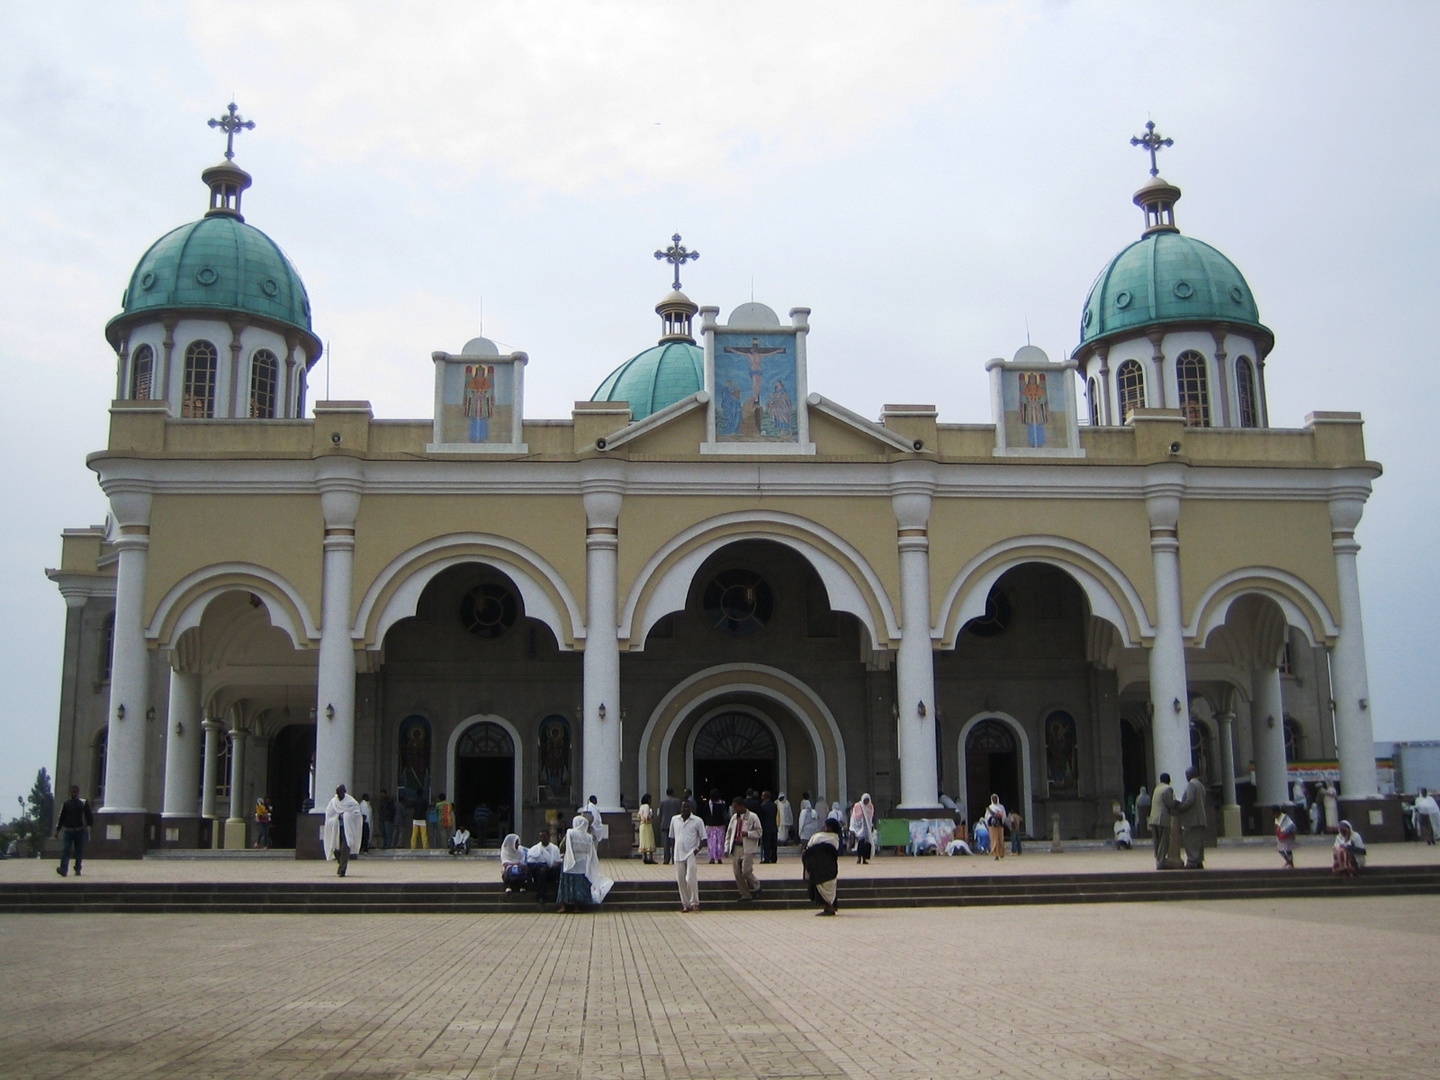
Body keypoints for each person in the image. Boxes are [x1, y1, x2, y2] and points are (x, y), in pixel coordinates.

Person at [558, 815, 613, 912]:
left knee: (567, 884)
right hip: (583, 863)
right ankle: (577, 907)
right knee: (579, 883)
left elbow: (562, 846)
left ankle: (563, 906)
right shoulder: (588, 836)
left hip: (570, 860)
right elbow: (591, 851)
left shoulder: (570, 833)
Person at [671, 799, 708, 912]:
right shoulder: (674, 819)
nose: (685, 809)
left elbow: (704, 839)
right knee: (680, 879)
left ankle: (695, 902)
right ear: (680, 808)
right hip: (678, 853)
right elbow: (671, 837)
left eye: (687, 807)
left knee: (691, 878)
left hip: (691, 853)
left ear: (690, 808)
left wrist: (697, 850)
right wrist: (672, 851)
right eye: (683, 807)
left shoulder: (697, 821)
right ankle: (685, 904)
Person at [725, 796, 763, 900]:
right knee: (737, 873)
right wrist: (727, 847)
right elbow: (729, 833)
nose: (735, 809)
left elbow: (759, 832)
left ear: (741, 806)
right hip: (736, 847)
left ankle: (757, 885)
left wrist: (748, 834)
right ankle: (745, 894)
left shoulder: (752, 817)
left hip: (747, 847)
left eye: (736, 807)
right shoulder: (734, 818)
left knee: (746, 871)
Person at [802, 819, 843, 916]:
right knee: (825, 887)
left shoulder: (825, 837)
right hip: (824, 868)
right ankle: (828, 907)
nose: (825, 828)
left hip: (823, 868)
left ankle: (829, 908)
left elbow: (810, 849)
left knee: (825, 887)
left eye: (827, 826)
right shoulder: (833, 839)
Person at [323, 784, 363, 877]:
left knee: (345, 848)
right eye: (337, 792)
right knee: (336, 849)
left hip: (347, 830)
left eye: (340, 792)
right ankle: (340, 863)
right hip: (336, 829)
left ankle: (342, 869)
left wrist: (346, 816)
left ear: (344, 791)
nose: (339, 794)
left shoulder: (351, 802)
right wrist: (336, 817)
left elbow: (357, 814)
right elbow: (329, 813)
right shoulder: (333, 802)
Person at [1172, 767, 1208, 870]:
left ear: (1190, 774)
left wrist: (1180, 807)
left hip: (1192, 819)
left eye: (1187, 774)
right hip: (1201, 818)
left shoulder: (1191, 785)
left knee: (1190, 841)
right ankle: (1198, 861)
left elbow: (1189, 801)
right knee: (1199, 842)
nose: (1186, 776)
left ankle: (1192, 861)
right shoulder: (1201, 785)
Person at [54, 785, 93, 877]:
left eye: (75, 792)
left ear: (78, 792)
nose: (74, 793)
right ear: (70, 792)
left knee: (78, 851)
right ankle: (63, 869)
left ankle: (78, 868)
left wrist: (89, 825)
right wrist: (57, 830)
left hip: (79, 830)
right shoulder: (66, 804)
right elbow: (62, 818)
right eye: (72, 792)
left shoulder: (82, 803)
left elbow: (89, 815)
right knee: (66, 849)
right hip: (68, 831)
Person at [526, 830, 562, 905]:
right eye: (541, 837)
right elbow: (530, 863)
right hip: (540, 874)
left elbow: (558, 860)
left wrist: (556, 864)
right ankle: (540, 896)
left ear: (549, 837)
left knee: (559, 870)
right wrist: (542, 865)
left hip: (551, 872)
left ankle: (559, 896)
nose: (543, 838)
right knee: (542, 871)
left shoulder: (554, 848)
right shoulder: (535, 849)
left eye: (544, 836)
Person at [1150, 773, 1177, 870]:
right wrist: (1176, 803)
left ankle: (1158, 859)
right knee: (1164, 841)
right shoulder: (1167, 789)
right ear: (1168, 780)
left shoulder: (1156, 788)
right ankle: (1161, 862)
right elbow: (1169, 803)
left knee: (1156, 841)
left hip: (1153, 818)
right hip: (1162, 818)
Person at [849, 794, 876, 864]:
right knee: (860, 844)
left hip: (867, 828)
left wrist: (870, 825)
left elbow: (870, 818)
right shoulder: (858, 805)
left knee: (866, 844)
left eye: (867, 800)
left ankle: (864, 859)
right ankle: (859, 858)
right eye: (865, 800)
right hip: (858, 827)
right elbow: (855, 816)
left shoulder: (870, 806)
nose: (866, 802)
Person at [704, 790, 729, 863]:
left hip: (710, 825)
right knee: (720, 842)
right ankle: (719, 858)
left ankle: (712, 858)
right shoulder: (722, 804)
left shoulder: (708, 804)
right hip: (720, 825)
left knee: (711, 842)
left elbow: (704, 814)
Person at [658, 789, 681, 864]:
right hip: (675, 824)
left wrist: (661, 822)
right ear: (673, 793)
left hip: (665, 823)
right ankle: (675, 859)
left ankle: (666, 859)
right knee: (675, 842)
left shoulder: (662, 802)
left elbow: (660, 814)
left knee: (666, 843)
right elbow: (679, 812)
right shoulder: (677, 801)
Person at [984, 795, 1007, 860]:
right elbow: (986, 817)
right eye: (993, 799)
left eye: (995, 798)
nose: (995, 800)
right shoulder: (990, 808)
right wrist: (993, 816)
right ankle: (996, 855)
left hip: (1000, 825)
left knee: (1000, 839)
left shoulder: (1001, 807)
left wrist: (1000, 815)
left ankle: (1001, 853)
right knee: (994, 840)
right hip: (992, 826)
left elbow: (1004, 815)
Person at [759, 791, 779, 864]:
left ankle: (767, 858)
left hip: (766, 828)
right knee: (774, 844)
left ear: (765, 797)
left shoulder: (762, 806)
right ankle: (774, 858)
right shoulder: (774, 805)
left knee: (766, 844)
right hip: (773, 827)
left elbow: (762, 817)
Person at [637, 794, 657, 864]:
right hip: (647, 825)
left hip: (642, 825)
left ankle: (645, 857)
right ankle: (650, 857)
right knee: (650, 840)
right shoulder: (647, 806)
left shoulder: (641, 806)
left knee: (643, 841)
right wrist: (651, 816)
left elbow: (639, 816)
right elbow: (646, 816)